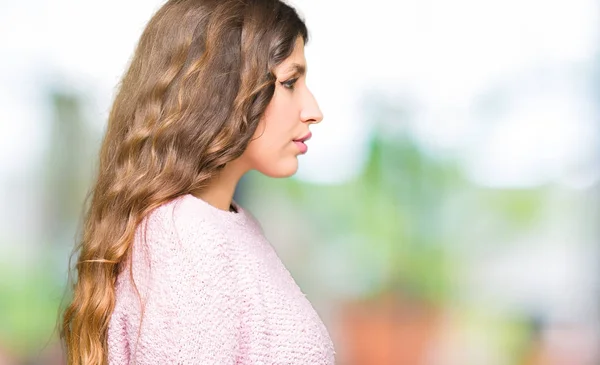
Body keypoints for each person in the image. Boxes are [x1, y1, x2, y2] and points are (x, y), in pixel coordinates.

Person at [59, 0, 335, 363]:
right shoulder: (184, 238)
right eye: (289, 82)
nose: (313, 111)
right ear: (222, 88)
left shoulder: (223, 225)